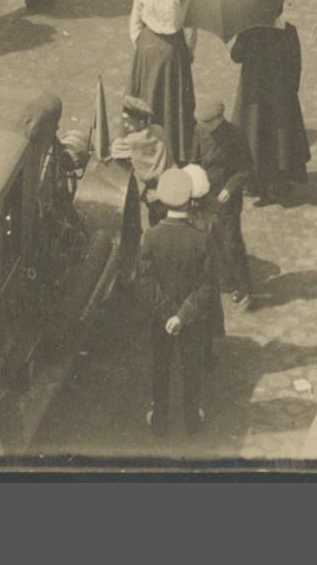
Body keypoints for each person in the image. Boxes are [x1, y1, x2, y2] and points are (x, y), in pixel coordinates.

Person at [137, 166, 224, 437]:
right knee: (191, 366)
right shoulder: (201, 239)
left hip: (159, 318)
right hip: (192, 318)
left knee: (160, 366)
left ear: (162, 200)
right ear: (190, 199)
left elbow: (145, 281)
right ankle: (192, 418)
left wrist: (166, 315)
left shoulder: (150, 237)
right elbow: (208, 284)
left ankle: (159, 418)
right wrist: (182, 315)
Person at [232, 10, 311, 205]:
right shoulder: (288, 30)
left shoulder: (249, 29)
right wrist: (291, 91)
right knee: (279, 138)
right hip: (280, 95)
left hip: (254, 96)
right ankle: (278, 181)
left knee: (255, 136)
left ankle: (256, 182)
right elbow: (296, 63)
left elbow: (236, 56)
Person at [128, 0, 197, 165]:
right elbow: (191, 27)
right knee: (174, 101)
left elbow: (135, 21)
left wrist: (140, 48)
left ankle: (145, 145)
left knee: (147, 98)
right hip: (173, 49)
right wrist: (189, 53)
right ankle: (175, 148)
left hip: (147, 47)